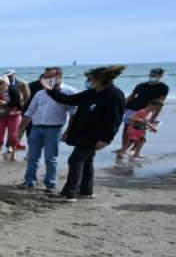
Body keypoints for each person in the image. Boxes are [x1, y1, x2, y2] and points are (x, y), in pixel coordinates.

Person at [42, 65, 126, 202]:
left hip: (95, 136)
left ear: (100, 79)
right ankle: (86, 191)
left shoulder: (114, 95)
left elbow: (114, 119)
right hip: (83, 134)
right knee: (86, 161)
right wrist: (52, 90)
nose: (88, 81)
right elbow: (69, 100)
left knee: (75, 160)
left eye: (90, 78)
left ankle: (69, 194)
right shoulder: (91, 93)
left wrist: (105, 139)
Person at [17, 67, 77, 192]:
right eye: (44, 77)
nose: (45, 80)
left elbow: (73, 114)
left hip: (54, 129)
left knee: (50, 158)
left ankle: (50, 184)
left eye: (49, 77)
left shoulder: (69, 91)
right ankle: (30, 181)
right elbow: (30, 112)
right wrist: (20, 129)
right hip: (36, 127)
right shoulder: (40, 94)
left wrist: (68, 131)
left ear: (59, 77)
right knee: (32, 156)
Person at [119, 67, 169, 157]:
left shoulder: (163, 87)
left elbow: (161, 102)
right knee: (127, 129)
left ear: (160, 76)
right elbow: (131, 97)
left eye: (154, 75)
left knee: (140, 131)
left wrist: (154, 116)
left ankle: (134, 151)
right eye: (151, 75)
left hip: (147, 112)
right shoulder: (141, 85)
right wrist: (122, 107)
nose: (152, 76)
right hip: (132, 109)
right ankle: (123, 148)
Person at [0, 78, 23, 160]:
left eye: (0, 83)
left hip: (14, 115)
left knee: (13, 135)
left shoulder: (13, 91)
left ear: (6, 83)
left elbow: (18, 103)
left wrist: (6, 103)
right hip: (0, 116)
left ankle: (13, 154)